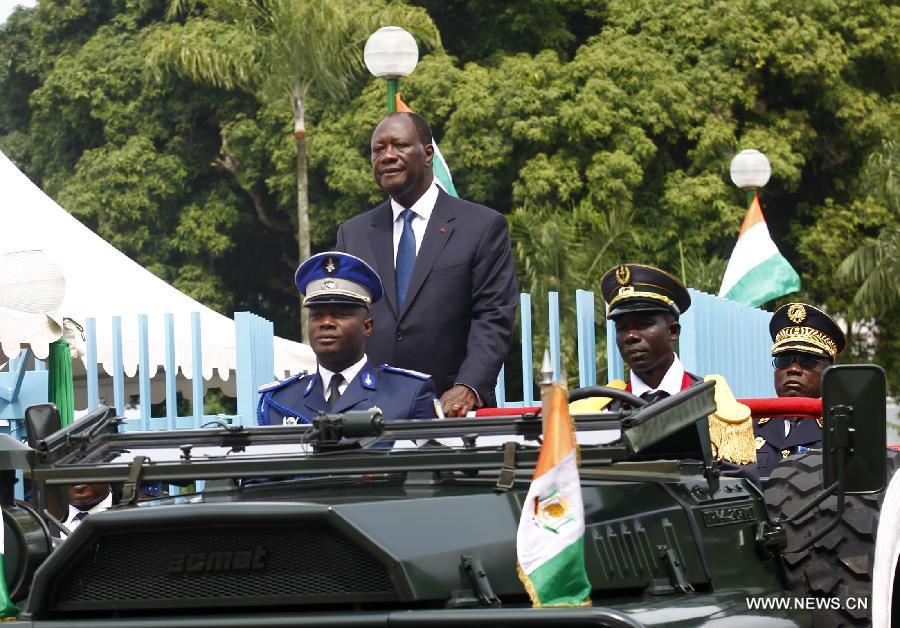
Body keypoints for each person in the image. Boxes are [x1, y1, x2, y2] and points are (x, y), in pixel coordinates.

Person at [334, 112, 518, 417]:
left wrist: (469, 385)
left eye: (400, 146)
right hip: (370, 414)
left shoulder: (482, 226)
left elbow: (493, 315)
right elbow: (342, 319)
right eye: (378, 149)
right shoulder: (353, 234)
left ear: (428, 153)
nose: (388, 156)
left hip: (451, 411)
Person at [257, 251, 438, 426]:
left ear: (367, 326)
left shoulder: (409, 394)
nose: (326, 323)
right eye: (316, 315)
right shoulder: (280, 402)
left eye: (341, 314)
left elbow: (438, 457)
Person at [754, 303, 846, 477]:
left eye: (807, 360)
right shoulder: (744, 427)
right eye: (784, 360)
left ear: (828, 371)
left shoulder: (844, 428)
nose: (793, 369)